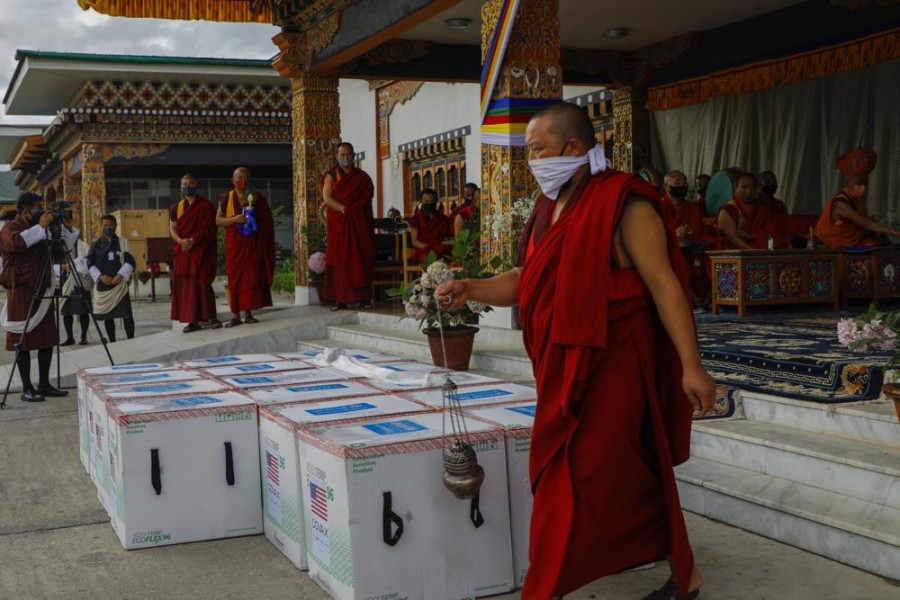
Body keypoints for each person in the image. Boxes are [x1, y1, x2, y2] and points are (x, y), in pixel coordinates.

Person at [436, 102, 714, 600]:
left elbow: (664, 286)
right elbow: (528, 279)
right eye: (527, 154)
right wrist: (471, 287)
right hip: (562, 366)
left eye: (537, 150)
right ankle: (685, 573)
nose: (531, 162)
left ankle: (544, 589)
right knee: (626, 471)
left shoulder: (626, 203)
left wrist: (692, 366)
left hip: (616, 363)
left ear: (572, 149)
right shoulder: (550, 205)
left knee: (571, 473)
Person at [0, 192, 67, 402]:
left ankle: (44, 383)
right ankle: (27, 388)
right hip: (20, 289)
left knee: (47, 338)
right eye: (39, 207)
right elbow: (16, 244)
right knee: (23, 341)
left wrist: (58, 230)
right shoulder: (10, 228)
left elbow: (58, 252)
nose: (42, 211)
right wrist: (41, 227)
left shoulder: (40, 228)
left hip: (42, 286)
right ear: (27, 210)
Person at [216, 167, 275, 327]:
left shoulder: (257, 197)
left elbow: (267, 221)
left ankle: (248, 313)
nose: (242, 180)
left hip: (251, 243)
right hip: (235, 245)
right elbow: (218, 220)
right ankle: (235, 315)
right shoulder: (226, 198)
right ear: (232, 180)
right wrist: (235, 219)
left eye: (245, 177)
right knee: (235, 279)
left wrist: (255, 223)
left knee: (251, 277)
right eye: (239, 177)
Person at [322, 142, 375, 311]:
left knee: (360, 258)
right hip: (339, 223)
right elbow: (327, 198)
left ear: (354, 156)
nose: (346, 158)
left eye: (348, 154)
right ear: (337, 156)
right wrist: (344, 209)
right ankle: (340, 300)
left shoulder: (363, 177)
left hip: (358, 224)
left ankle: (363, 298)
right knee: (339, 259)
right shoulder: (331, 175)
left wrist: (353, 210)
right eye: (342, 155)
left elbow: (367, 198)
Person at [814, 147, 900, 247]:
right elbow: (862, 222)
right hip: (832, 246)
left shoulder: (855, 202)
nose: (863, 188)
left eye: (865, 184)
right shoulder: (840, 203)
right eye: (859, 185)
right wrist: (892, 231)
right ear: (849, 184)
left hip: (853, 245)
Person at [169, 173, 222, 333]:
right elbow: (172, 228)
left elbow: (209, 229)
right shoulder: (176, 207)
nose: (187, 186)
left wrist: (193, 240)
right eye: (184, 184)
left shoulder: (206, 205)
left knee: (202, 284)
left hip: (199, 251)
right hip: (183, 251)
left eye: (190, 183)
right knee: (185, 287)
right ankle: (192, 321)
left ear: (196, 185)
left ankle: (212, 317)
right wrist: (180, 241)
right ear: (180, 186)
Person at [663, 170, 711, 308]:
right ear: (667, 187)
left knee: (706, 260)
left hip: (690, 249)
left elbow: (698, 233)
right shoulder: (659, 206)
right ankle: (691, 295)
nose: (682, 185)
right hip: (667, 249)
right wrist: (674, 234)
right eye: (677, 182)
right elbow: (654, 232)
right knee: (679, 261)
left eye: (684, 182)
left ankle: (709, 294)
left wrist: (688, 234)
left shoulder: (691, 208)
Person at [86, 215, 135, 343]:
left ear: (115, 226)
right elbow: (90, 263)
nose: (107, 228)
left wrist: (120, 275)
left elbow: (130, 261)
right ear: (101, 227)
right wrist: (100, 276)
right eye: (105, 226)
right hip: (104, 284)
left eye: (110, 225)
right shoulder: (96, 245)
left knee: (127, 314)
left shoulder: (122, 242)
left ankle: (131, 340)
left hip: (119, 285)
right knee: (108, 316)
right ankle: (112, 341)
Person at [716, 172, 777, 250]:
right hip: (736, 254)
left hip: (761, 250)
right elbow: (732, 238)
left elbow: (771, 233)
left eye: (753, 187)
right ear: (735, 187)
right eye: (744, 187)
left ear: (758, 188)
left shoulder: (763, 209)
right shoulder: (728, 209)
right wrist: (755, 252)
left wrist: (753, 236)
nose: (749, 191)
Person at [59, 215, 91, 346]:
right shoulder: (60, 241)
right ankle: (70, 337)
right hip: (64, 279)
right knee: (66, 311)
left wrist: (71, 264)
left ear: (71, 222)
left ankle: (83, 336)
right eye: (64, 221)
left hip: (79, 280)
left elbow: (87, 259)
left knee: (83, 309)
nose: (66, 223)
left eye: (68, 221)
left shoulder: (81, 243)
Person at [409, 188, 452, 263]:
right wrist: (430, 248)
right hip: (425, 249)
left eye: (432, 202)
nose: (429, 204)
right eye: (426, 201)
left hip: (441, 249)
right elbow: (415, 242)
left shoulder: (443, 218)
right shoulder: (416, 218)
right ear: (421, 201)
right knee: (431, 259)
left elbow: (448, 238)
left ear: (436, 201)